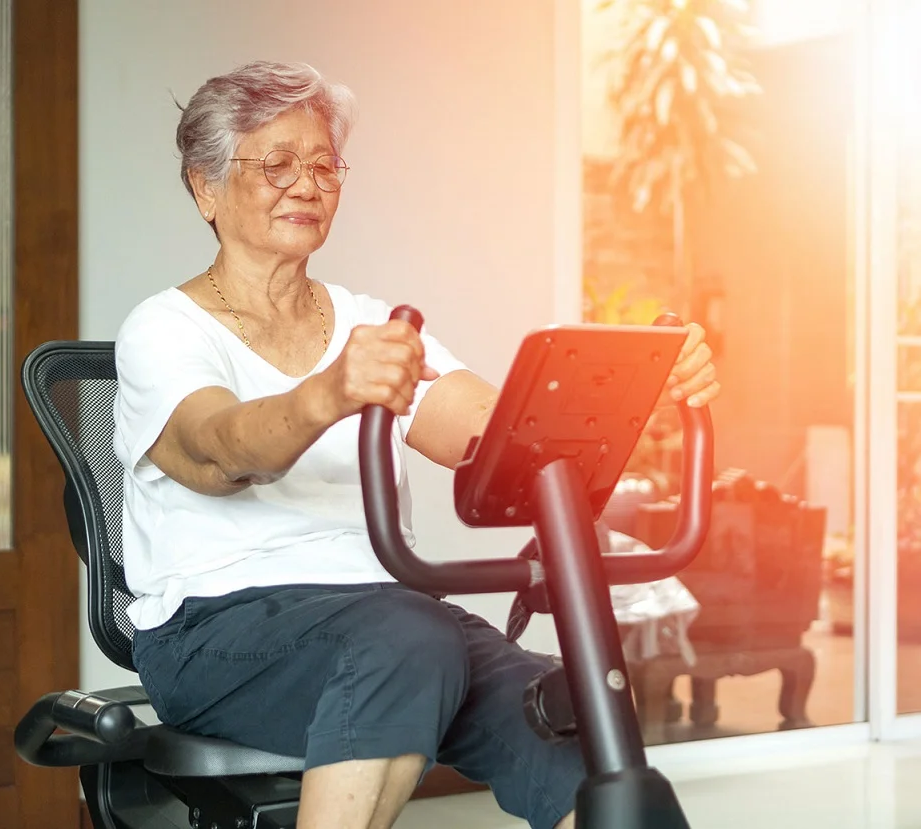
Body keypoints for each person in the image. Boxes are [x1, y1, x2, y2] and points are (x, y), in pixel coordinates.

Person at [112, 60, 721, 829]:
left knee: (568, 709)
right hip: (215, 635)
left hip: (391, 622)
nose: (306, 184)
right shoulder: (164, 330)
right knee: (410, 637)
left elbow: (499, 437)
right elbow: (217, 449)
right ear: (204, 187)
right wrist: (329, 392)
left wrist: (637, 391)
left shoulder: (373, 324)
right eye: (276, 164)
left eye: (325, 163)